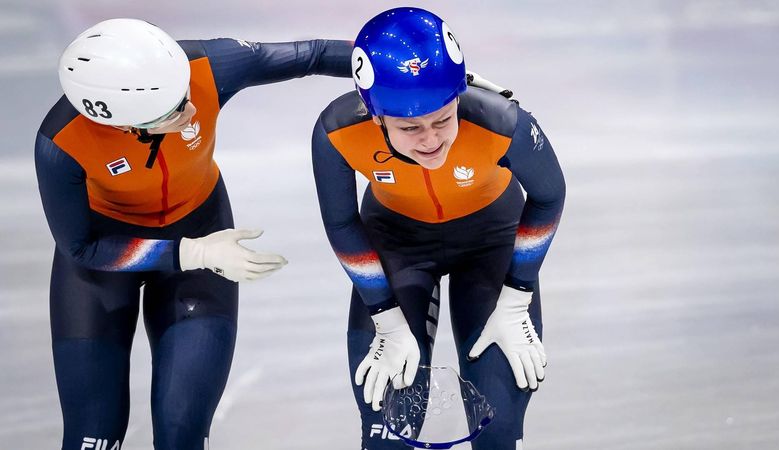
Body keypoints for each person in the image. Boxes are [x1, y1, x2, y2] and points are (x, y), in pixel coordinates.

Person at [35, 18, 351, 450]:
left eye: (182, 95)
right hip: (109, 252)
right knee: (94, 436)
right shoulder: (60, 143)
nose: (189, 111)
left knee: (181, 433)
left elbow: (314, 53)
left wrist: (438, 76)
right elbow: (81, 246)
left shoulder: (207, 66)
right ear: (123, 124)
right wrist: (192, 253)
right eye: (171, 113)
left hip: (200, 224)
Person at [311, 8, 565, 449]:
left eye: (444, 120)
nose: (430, 140)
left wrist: (516, 298)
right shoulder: (337, 131)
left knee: (497, 428)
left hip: (491, 242)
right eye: (410, 127)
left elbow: (549, 196)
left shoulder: (501, 122)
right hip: (398, 244)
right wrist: (386, 320)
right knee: (388, 430)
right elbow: (341, 222)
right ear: (376, 117)